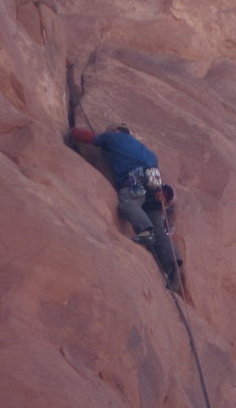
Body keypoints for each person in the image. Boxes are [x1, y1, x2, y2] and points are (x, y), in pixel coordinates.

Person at [69, 123, 181, 290]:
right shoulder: (148, 152)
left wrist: (72, 131)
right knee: (160, 230)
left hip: (136, 181)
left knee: (128, 204)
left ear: (117, 131)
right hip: (155, 187)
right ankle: (172, 265)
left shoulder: (114, 137)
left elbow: (91, 138)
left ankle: (146, 231)